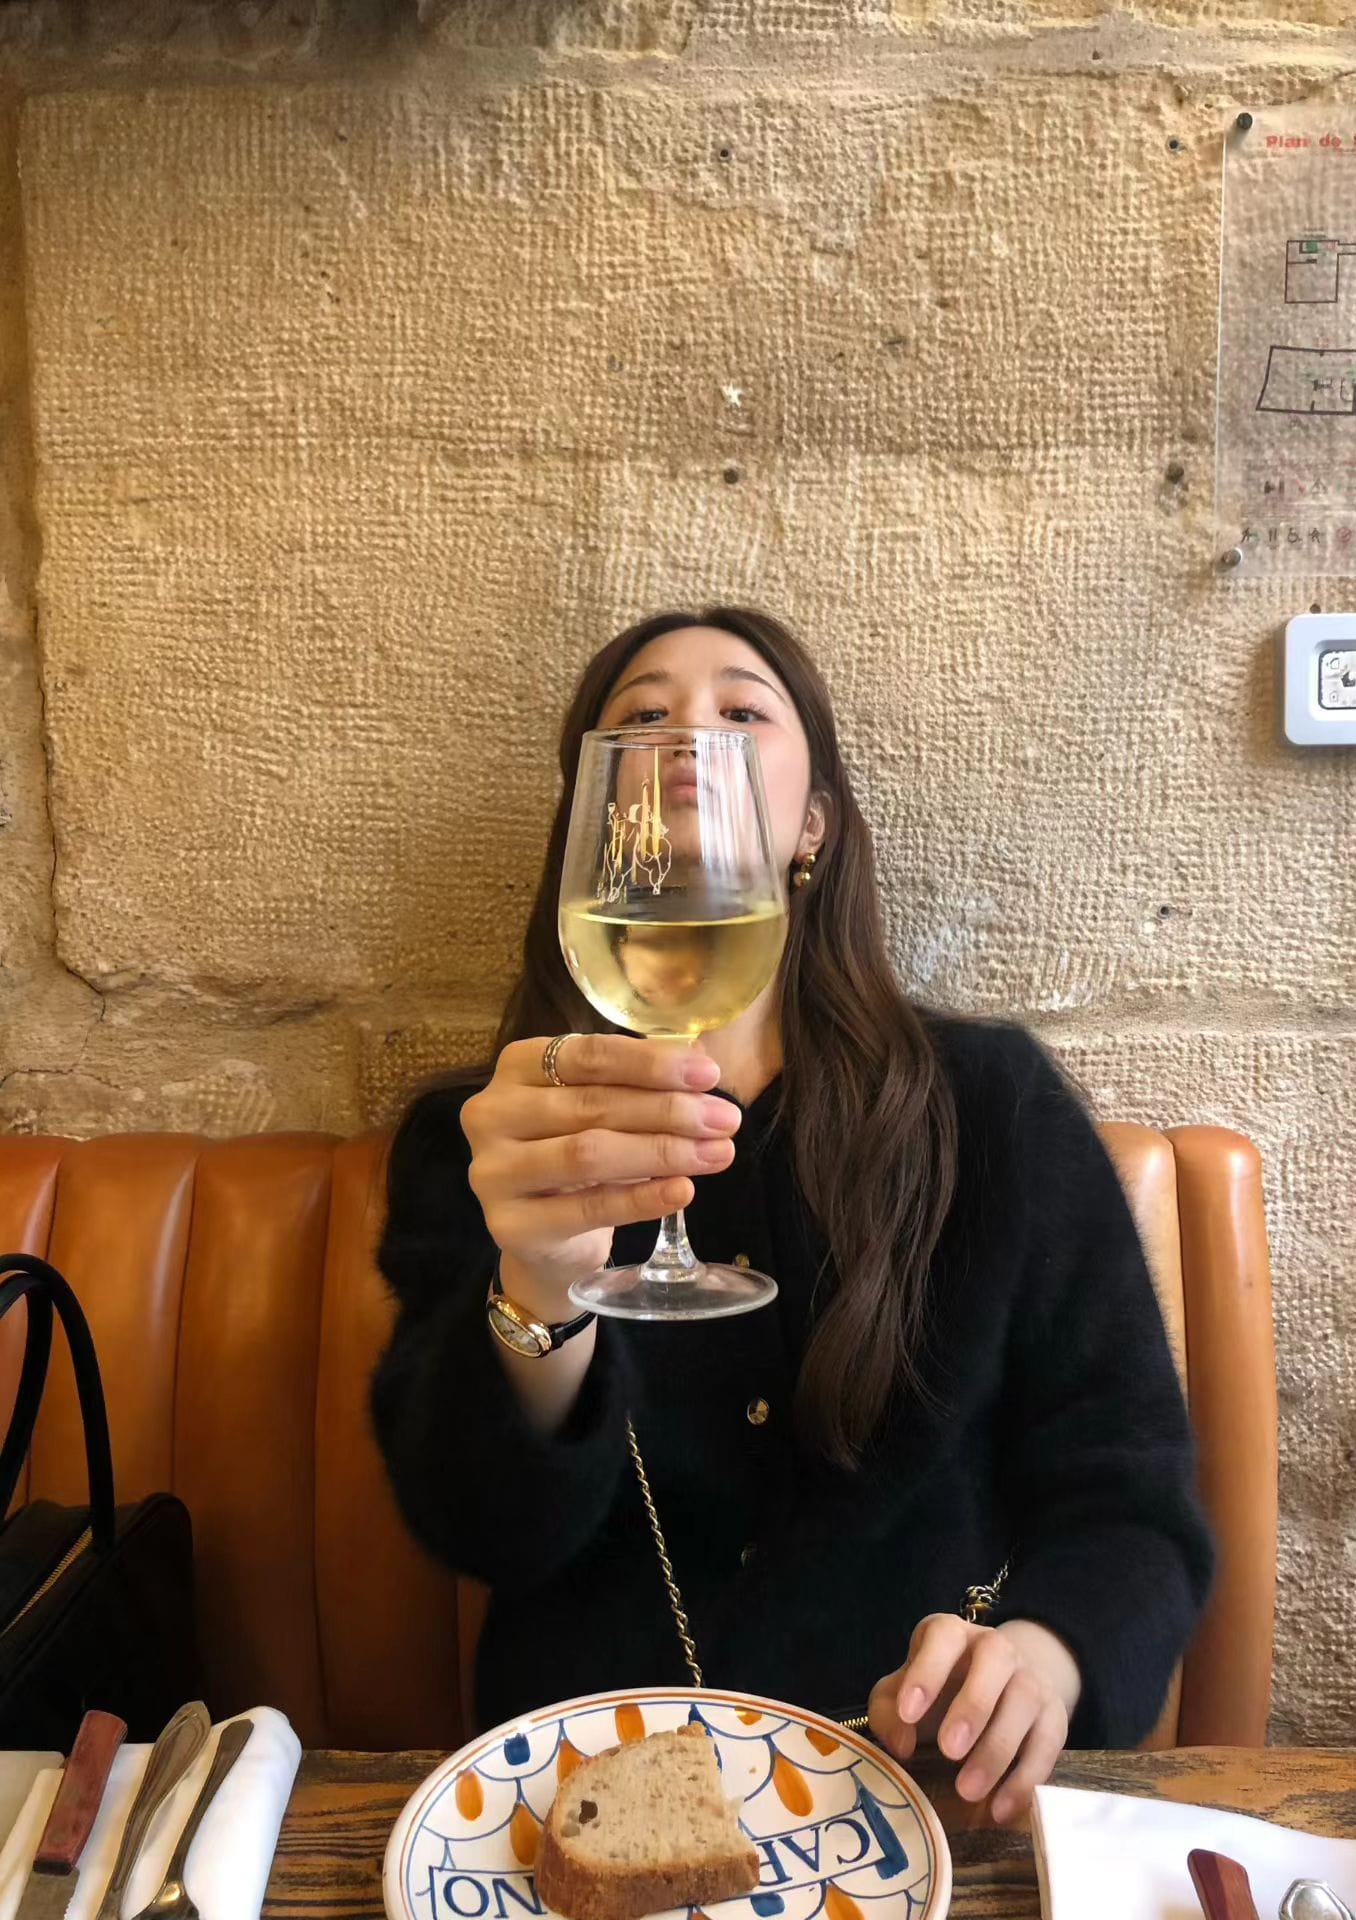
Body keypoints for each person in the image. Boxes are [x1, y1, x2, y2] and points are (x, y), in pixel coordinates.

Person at [372, 606, 1214, 1825]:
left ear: (811, 824)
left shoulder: (993, 1109)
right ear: (591, 830)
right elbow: (481, 1530)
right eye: (642, 716)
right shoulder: (491, 1137)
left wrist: (1050, 1655)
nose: (686, 738)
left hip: (918, 1793)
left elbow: (1132, 1499)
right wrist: (539, 1283)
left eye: (741, 711)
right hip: (576, 1793)